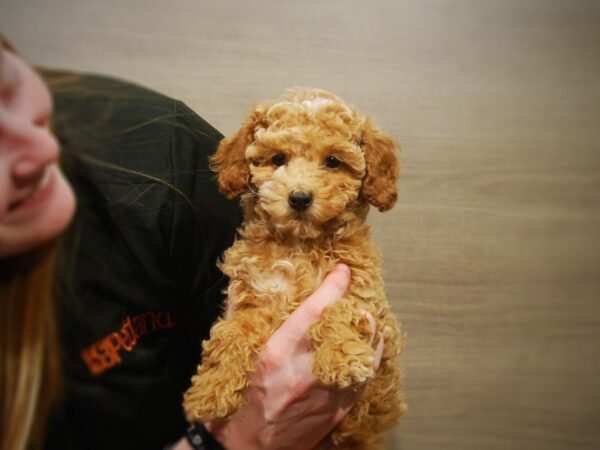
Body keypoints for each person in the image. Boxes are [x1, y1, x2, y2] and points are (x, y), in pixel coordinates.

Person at [0, 36, 380, 450]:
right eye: (278, 159)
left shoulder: (165, 159)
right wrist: (231, 440)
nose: (40, 149)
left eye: (8, 85)